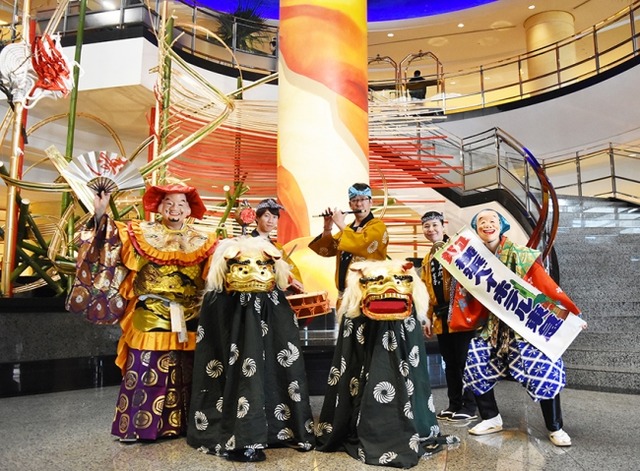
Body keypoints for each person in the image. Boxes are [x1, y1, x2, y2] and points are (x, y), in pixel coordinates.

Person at [72, 184, 218, 441]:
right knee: (146, 366)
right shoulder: (139, 233)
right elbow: (108, 239)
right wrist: (100, 212)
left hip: (191, 313)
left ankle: (184, 426)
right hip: (151, 310)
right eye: (169, 202)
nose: (175, 208)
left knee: (188, 369)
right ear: (159, 207)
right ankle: (138, 427)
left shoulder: (206, 240)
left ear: (189, 209)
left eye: (181, 203)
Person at [315, 258, 457, 468]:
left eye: (399, 280)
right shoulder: (355, 310)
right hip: (366, 326)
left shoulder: (408, 311)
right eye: (376, 282)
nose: (388, 287)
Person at [460, 208, 584, 447]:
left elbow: (546, 286)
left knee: (545, 369)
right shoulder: (473, 260)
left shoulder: (520, 254)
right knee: (475, 362)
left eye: (492, 220)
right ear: (476, 229)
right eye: (481, 221)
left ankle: (555, 427)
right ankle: (490, 417)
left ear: (501, 225)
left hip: (525, 327)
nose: (487, 224)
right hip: (493, 328)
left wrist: (570, 315)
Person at [186, 236, 315, 462]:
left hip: (266, 311)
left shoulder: (274, 299)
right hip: (232, 321)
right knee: (237, 375)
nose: (255, 271)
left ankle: (274, 429)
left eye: (263, 265)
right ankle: (243, 435)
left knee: (271, 371)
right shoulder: (218, 299)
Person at [419, 210, 478, 422]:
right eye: (426, 226)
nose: (431, 229)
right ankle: (454, 403)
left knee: (464, 361)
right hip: (440, 317)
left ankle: (470, 406)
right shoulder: (427, 258)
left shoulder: (457, 248)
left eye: (435, 225)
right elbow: (426, 290)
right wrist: (426, 317)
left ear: (443, 226)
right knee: (450, 362)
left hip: (461, 313)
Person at [308, 182, 388, 306]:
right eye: (355, 200)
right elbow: (327, 250)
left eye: (363, 199)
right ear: (350, 205)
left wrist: (340, 223)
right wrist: (327, 227)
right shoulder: (348, 228)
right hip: (344, 294)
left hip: (368, 294)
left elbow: (361, 244)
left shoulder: (378, 226)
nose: (359, 204)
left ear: (370, 202)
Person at [251, 198, 303, 293]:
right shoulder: (248, 242)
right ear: (257, 218)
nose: (271, 221)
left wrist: (292, 279)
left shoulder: (277, 248)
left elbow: (292, 269)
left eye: (274, 217)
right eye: (266, 216)